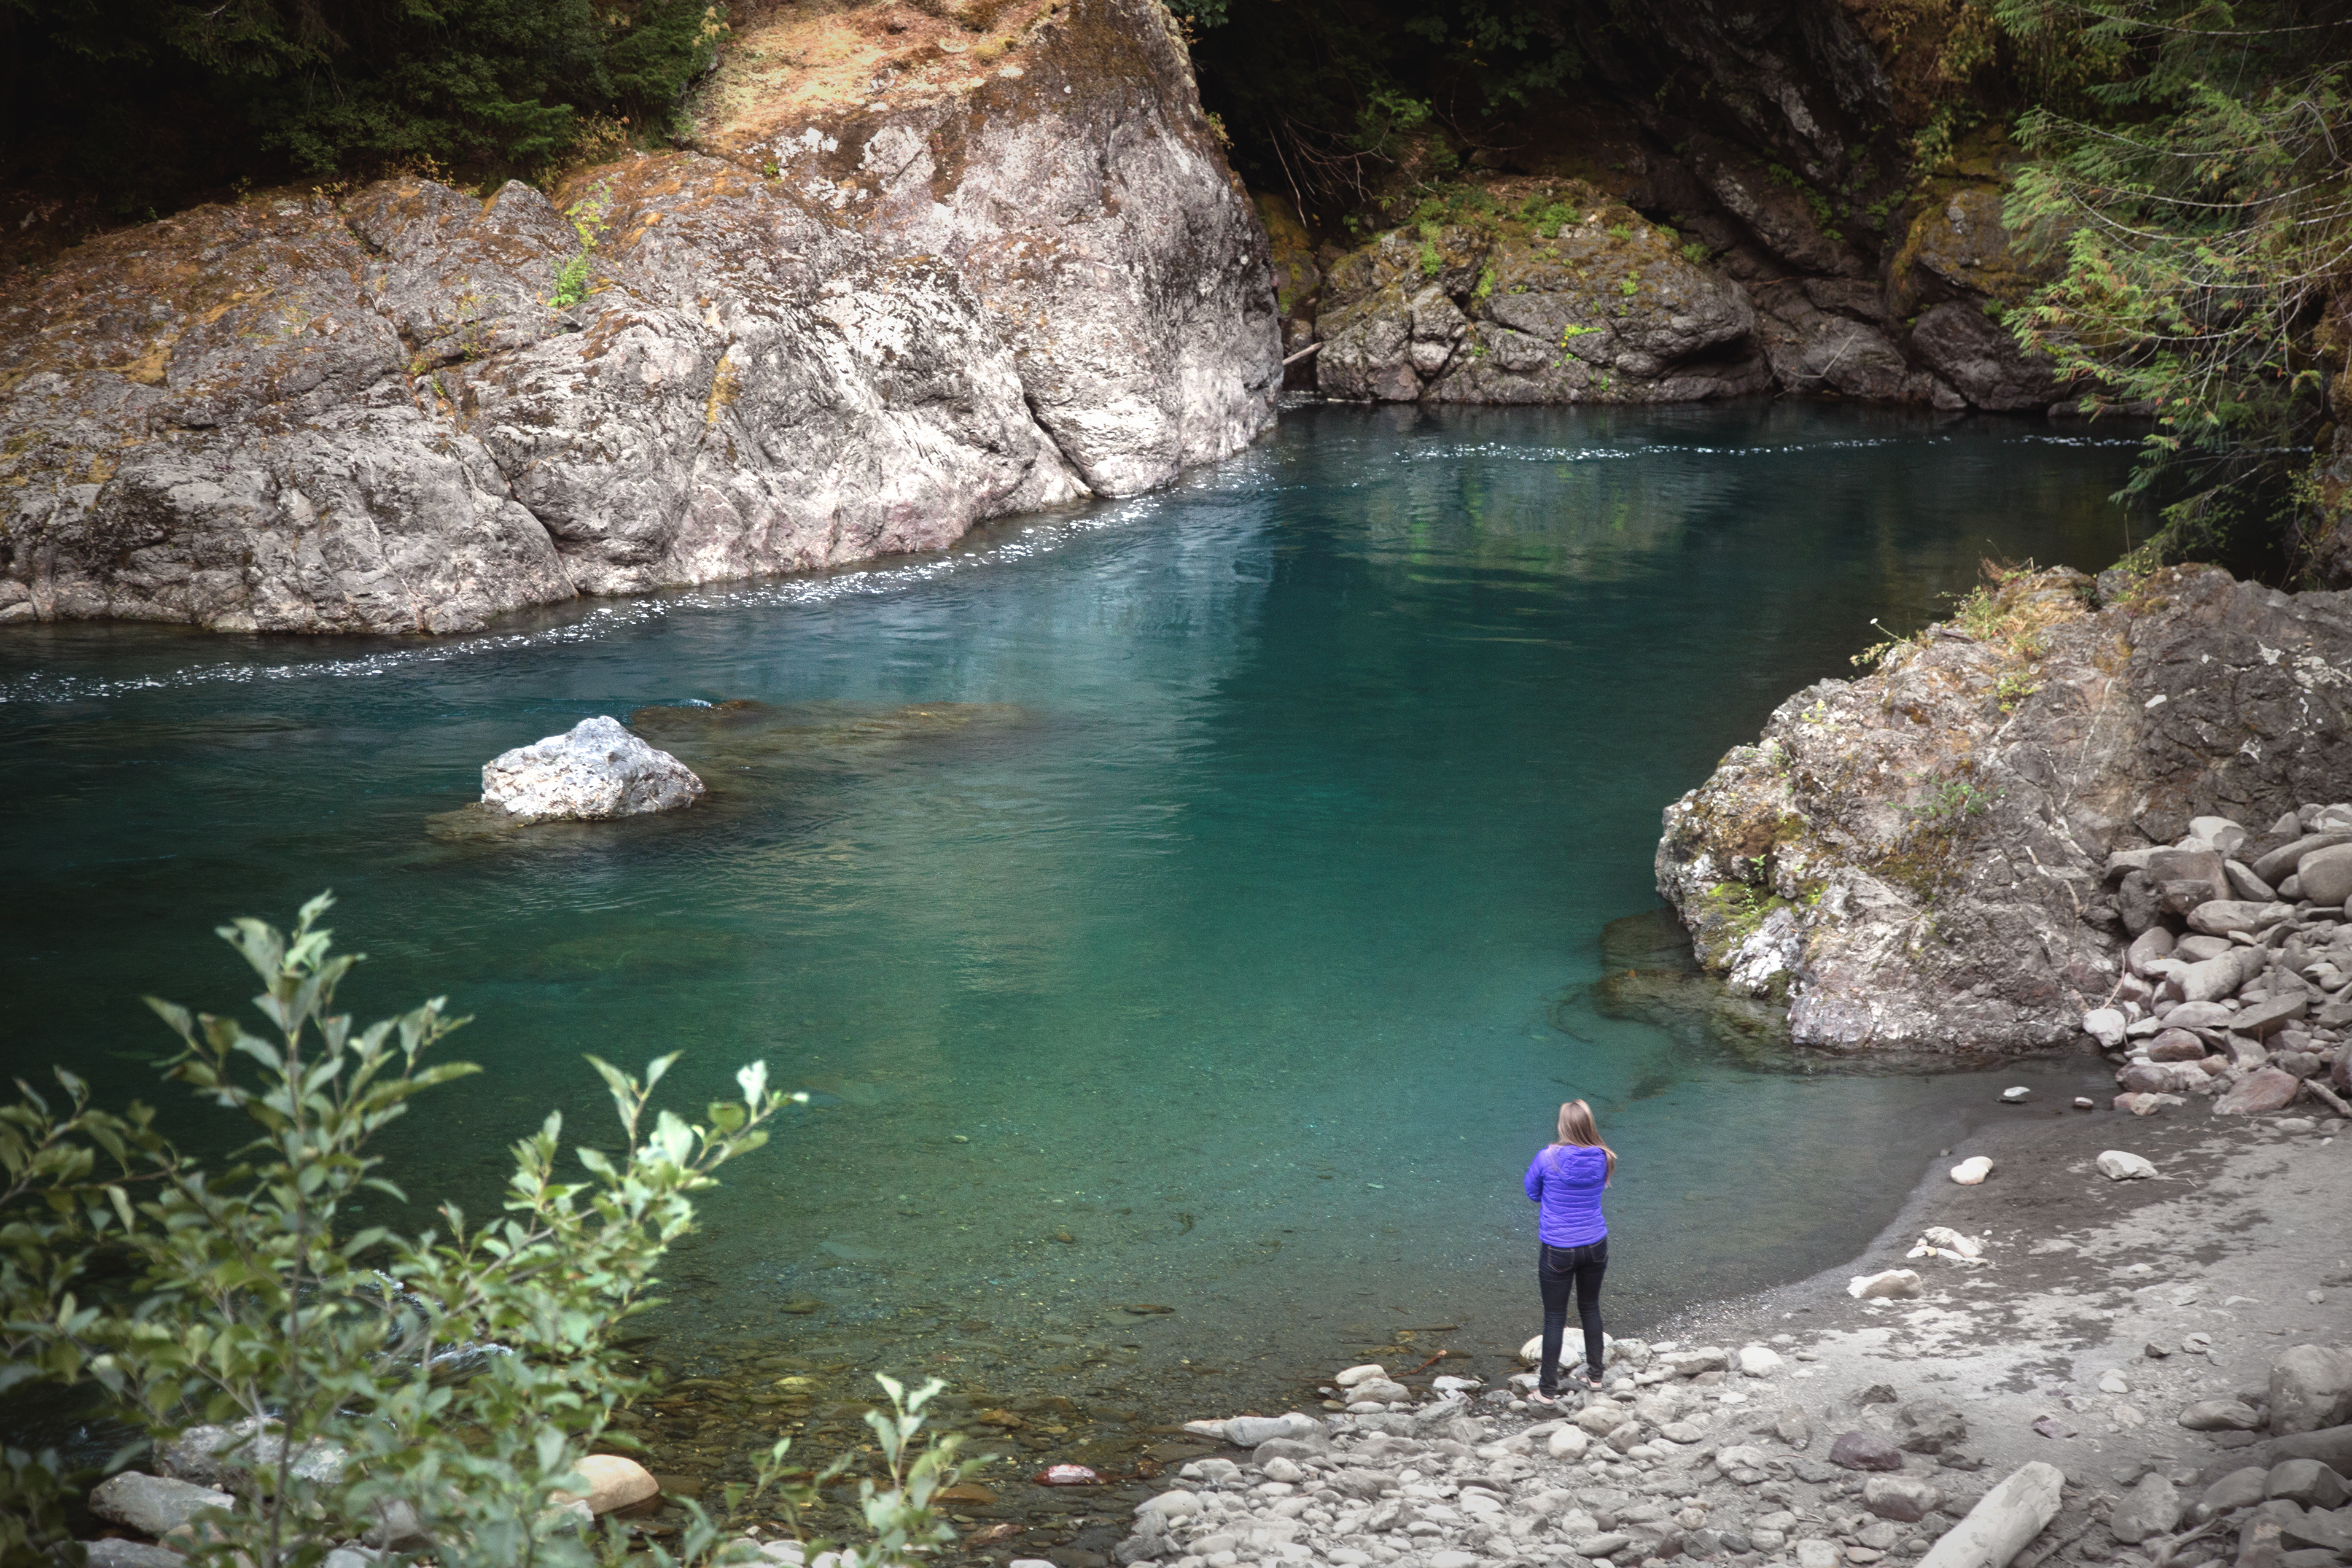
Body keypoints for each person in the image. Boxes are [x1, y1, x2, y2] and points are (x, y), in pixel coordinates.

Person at [1522, 1098, 1615, 1404]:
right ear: (1590, 1124)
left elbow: (1532, 1192)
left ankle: (1547, 1391)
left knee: (1554, 1317)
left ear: (1563, 1125)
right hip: (1596, 1244)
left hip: (1558, 1248)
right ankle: (1596, 1376)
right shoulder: (1605, 1157)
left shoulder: (1547, 1157)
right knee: (1590, 1307)